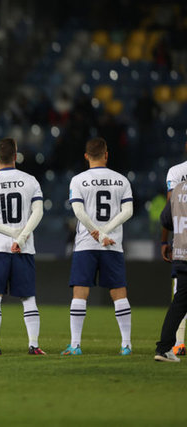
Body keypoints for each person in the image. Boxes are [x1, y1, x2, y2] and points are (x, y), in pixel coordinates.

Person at [62, 137, 133, 356]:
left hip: (86, 243)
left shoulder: (77, 180)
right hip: (112, 244)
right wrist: (105, 233)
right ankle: (126, 344)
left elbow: (79, 212)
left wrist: (96, 232)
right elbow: (128, 212)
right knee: (119, 292)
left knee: (80, 292)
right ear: (106, 154)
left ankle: (75, 345)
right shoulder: (122, 180)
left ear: (86, 156)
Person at [0, 138, 45, 355]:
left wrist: (9, 232)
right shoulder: (30, 180)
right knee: (28, 297)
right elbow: (38, 212)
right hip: (24, 247)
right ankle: (33, 345)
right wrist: (21, 237)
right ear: (16, 156)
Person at [155, 182, 187, 362]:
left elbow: (165, 219)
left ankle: (164, 349)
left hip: (182, 253)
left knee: (180, 303)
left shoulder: (179, 189)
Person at [162, 146, 187, 356]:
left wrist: (164, 241)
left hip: (182, 246)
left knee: (180, 298)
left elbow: (168, 214)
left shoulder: (176, 175)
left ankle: (174, 344)